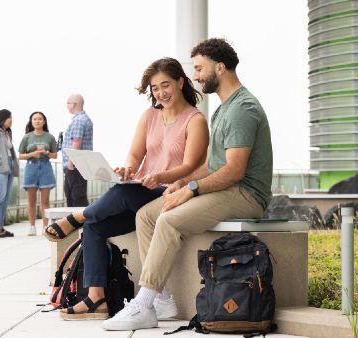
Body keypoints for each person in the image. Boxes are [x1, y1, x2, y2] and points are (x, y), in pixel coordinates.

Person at [102, 38, 274, 331]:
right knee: (146, 215)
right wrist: (182, 181)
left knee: (168, 220)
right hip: (226, 188)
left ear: (219, 67)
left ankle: (143, 305)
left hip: (246, 194)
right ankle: (163, 300)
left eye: (199, 68)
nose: (195, 75)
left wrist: (191, 189)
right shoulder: (223, 109)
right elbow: (213, 165)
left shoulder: (243, 108)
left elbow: (233, 171)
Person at [44, 58, 209, 321]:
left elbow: (191, 164)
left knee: (120, 196)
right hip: (141, 191)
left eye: (165, 85)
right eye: (155, 88)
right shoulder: (150, 116)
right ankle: (96, 298)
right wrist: (128, 170)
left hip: (171, 193)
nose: (160, 93)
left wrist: (159, 176)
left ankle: (78, 216)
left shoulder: (195, 120)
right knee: (94, 226)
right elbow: (135, 155)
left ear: (180, 82)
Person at [18, 111, 57, 236]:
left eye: (40, 119)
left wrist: (46, 152)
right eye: (35, 119)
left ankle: (45, 226)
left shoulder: (50, 137)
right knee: (31, 201)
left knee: (45, 201)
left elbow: (55, 155)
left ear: (44, 121)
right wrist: (32, 154)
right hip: (31, 168)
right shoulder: (27, 137)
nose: (37, 121)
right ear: (31, 121)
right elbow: (20, 156)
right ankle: (32, 226)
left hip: (45, 168)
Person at [0, 109, 20, 238]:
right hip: (0, 169)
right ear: (2, 119)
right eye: (9, 117)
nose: (11, 120)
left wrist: (13, 164)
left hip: (10, 168)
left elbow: (10, 151)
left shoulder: (7, 133)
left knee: (5, 199)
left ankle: (1, 227)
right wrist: (0, 163)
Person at [62, 94, 93, 207]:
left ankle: (80, 223)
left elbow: (77, 142)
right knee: (74, 194)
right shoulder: (83, 119)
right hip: (80, 164)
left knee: (77, 196)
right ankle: (76, 223)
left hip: (75, 164)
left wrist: (71, 162)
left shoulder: (79, 120)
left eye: (68, 103)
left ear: (73, 104)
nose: (67, 106)